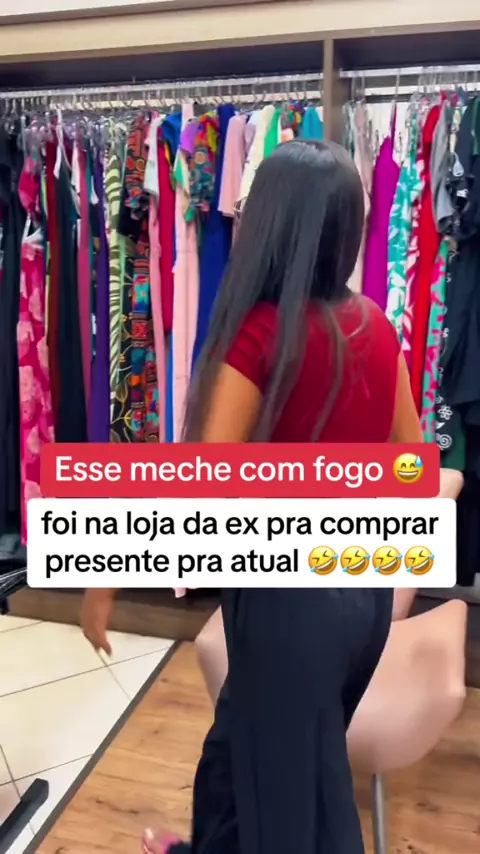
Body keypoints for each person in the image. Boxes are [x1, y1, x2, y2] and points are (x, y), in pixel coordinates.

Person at [81, 140, 423, 854]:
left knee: (298, 813)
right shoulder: (374, 326)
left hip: (291, 606)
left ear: (268, 223)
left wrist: (103, 577)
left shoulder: (261, 336)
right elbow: (410, 466)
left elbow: (195, 485)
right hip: (357, 595)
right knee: (237, 758)